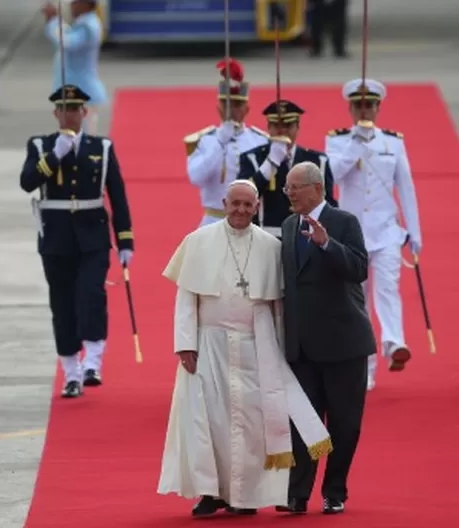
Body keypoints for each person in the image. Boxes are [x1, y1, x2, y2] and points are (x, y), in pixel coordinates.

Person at [158, 179, 332, 517]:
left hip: (256, 347)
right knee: (210, 422)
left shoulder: (270, 246)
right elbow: (186, 298)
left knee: (252, 425)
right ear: (224, 203)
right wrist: (185, 344)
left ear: (257, 207)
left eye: (247, 205)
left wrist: (284, 349)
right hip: (209, 345)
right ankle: (212, 493)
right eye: (234, 204)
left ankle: (245, 496)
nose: (240, 210)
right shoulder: (198, 241)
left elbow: (278, 305)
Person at [19, 84, 135, 397]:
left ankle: (93, 362)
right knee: (63, 303)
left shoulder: (102, 147)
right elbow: (27, 182)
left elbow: (117, 195)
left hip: (92, 232)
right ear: (56, 113)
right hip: (56, 235)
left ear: (84, 112)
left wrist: (125, 241)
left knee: (91, 295)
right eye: (64, 109)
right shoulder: (41, 146)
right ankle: (71, 372)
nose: (70, 114)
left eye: (76, 109)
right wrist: (55, 155)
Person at [278, 161, 373, 515]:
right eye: (287, 188)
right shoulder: (288, 226)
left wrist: (327, 244)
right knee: (303, 421)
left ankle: (335, 490)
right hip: (303, 347)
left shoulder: (344, 222)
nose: (288, 194)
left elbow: (359, 269)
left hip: (344, 343)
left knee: (345, 424)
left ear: (316, 188)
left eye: (294, 188)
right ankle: (297, 493)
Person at [324, 78, 422, 390]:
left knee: (388, 289)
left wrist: (415, 233)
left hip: (387, 231)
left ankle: (395, 343)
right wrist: (355, 145)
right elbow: (332, 177)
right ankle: (365, 367)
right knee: (358, 301)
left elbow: (405, 187)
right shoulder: (338, 141)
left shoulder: (393, 142)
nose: (364, 110)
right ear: (350, 108)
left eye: (370, 105)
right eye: (358, 105)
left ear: (379, 107)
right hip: (353, 235)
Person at [185, 58, 269, 228]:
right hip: (214, 219)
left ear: (247, 109)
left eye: (238, 104)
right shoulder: (205, 140)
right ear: (218, 108)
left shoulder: (261, 141)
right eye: (227, 103)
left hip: (250, 220)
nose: (232, 110)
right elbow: (196, 177)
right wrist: (220, 143)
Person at [237, 99, 337, 238]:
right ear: (268, 127)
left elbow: (329, 203)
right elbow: (244, 195)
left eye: (288, 125)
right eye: (276, 125)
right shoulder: (253, 158)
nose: (282, 131)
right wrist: (271, 163)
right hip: (266, 235)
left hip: (306, 235)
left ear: (297, 126)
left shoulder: (318, 160)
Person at [42, 0, 105, 134]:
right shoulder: (84, 23)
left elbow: (67, 42)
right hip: (75, 90)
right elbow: (66, 35)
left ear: (86, 4)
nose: (71, 6)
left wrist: (53, 21)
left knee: (82, 137)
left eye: (74, 3)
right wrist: (54, 21)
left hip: (82, 90)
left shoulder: (88, 26)